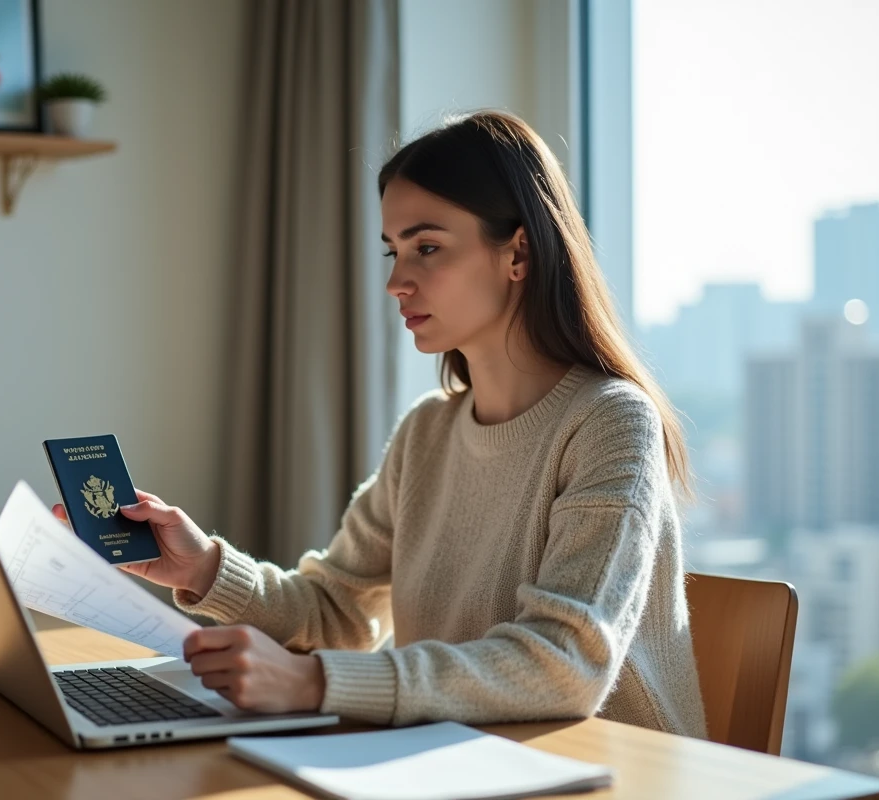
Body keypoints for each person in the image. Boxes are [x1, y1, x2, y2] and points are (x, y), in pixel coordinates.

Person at [54, 110, 707, 738]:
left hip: (609, 774)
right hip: (458, 759)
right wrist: (202, 570)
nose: (397, 280)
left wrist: (313, 683)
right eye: (393, 250)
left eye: (427, 247)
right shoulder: (427, 434)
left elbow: (565, 664)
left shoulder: (611, 423)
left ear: (518, 254)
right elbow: (340, 611)